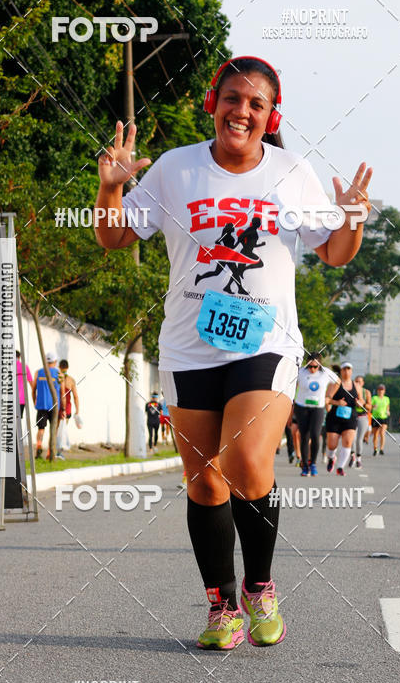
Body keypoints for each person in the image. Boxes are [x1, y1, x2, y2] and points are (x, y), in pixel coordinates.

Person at [94, 55, 371, 648]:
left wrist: (352, 218)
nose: (241, 111)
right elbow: (113, 235)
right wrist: (110, 186)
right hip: (190, 348)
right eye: (232, 99)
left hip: (266, 343)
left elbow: (336, 253)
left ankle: (261, 585)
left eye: (256, 104)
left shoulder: (292, 172)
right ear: (211, 104)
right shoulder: (175, 170)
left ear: (271, 117)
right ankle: (222, 606)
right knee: (204, 483)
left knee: (246, 462)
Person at [294, 353, 337, 476]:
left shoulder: (325, 373)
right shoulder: (301, 372)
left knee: (315, 434)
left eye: (315, 367)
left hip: (318, 408)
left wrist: (329, 396)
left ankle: (312, 463)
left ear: (319, 365)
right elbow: (292, 384)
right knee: (304, 436)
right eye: (310, 366)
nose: (312, 369)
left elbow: (337, 382)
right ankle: (305, 466)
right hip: (301, 406)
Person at [325, 362, 363, 476]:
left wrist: (359, 403)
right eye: (344, 369)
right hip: (334, 417)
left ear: (351, 371)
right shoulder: (335, 383)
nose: (346, 371)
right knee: (332, 444)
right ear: (341, 371)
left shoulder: (357, 386)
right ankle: (332, 458)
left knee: (347, 442)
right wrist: (337, 402)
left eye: (348, 369)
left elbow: (362, 401)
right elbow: (327, 399)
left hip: (350, 417)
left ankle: (340, 467)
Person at [31, 352, 65, 459]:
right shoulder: (59, 374)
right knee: (53, 429)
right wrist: (63, 408)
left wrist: (35, 402)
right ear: (55, 362)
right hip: (54, 406)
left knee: (41, 428)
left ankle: (39, 445)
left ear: (46, 361)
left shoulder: (38, 372)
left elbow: (33, 389)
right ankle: (50, 452)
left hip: (41, 405)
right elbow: (62, 393)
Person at [57, 359, 80, 459]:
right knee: (62, 430)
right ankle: (58, 452)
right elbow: (75, 396)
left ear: (59, 367)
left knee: (56, 429)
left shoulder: (56, 378)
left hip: (57, 407)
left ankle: (54, 451)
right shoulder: (71, 380)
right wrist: (77, 410)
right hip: (67, 408)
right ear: (67, 368)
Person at [353, 375, 372, 468]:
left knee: (359, 439)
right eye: (356, 381)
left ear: (363, 383)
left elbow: (369, 407)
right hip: (352, 416)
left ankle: (358, 459)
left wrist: (363, 402)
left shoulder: (366, 392)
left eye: (360, 382)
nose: (358, 383)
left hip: (362, 417)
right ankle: (352, 455)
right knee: (352, 438)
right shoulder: (351, 391)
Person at [371, 384, 390, 455]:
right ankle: (375, 448)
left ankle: (381, 448)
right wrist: (373, 406)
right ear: (377, 391)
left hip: (384, 417)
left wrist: (388, 411)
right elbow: (370, 405)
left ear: (384, 391)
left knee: (382, 433)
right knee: (375, 434)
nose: (380, 391)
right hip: (375, 417)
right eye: (379, 390)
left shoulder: (387, 398)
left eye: (382, 390)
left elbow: (387, 407)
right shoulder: (374, 398)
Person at [16, 350, 33, 419]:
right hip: (21, 399)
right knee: (17, 420)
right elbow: (32, 383)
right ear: (19, 357)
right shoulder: (24, 367)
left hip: (8, 399)